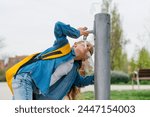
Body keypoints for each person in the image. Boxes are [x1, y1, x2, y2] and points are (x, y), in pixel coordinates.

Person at [12, 21, 94, 100]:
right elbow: (59, 26)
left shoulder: (73, 70)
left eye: (89, 51)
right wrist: (77, 32)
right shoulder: (63, 47)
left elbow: (81, 82)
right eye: (85, 45)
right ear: (75, 45)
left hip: (34, 89)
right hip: (26, 78)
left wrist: (100, 75)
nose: (87, 48)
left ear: (85, 58)